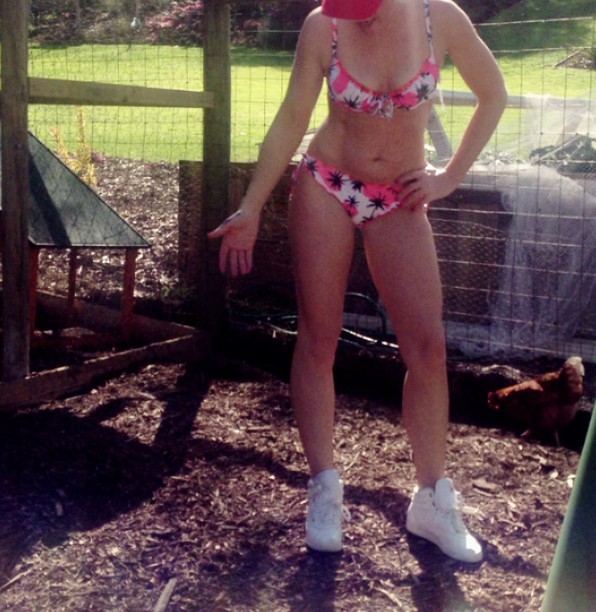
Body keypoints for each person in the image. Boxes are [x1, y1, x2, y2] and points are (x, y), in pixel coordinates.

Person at [208, 0, 506, 562]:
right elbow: (292, 117)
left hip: (399, 197)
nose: (356, 16)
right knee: (319, 338)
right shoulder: (323, 26)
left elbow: (494, 94)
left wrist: (450, 177)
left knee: (428, 348)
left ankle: (431, 500)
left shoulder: (439, 18)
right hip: (328, 184)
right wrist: (251, 206)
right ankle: (324, 487)